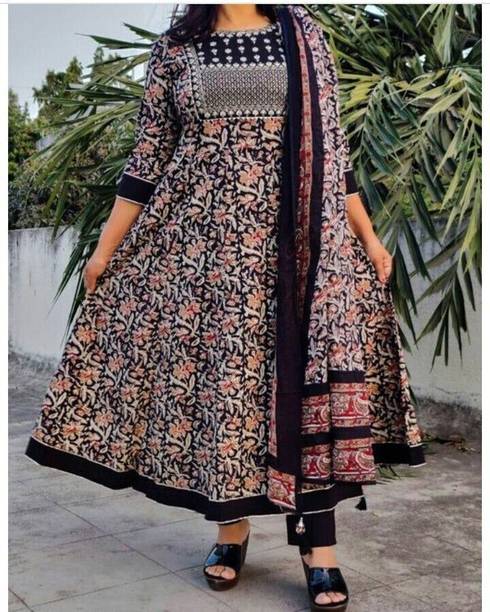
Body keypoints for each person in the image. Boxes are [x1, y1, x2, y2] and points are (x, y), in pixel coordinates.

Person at [25, 5, 426, 610]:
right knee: (226, 388)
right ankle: (231, 529)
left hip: (300, 248)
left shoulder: (304, 36)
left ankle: (320, 551)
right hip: (206, 249)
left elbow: (332, 152)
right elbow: (148, 158)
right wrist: (105, 252)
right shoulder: (176, 46)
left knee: (307, 383)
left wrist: (368, 237)